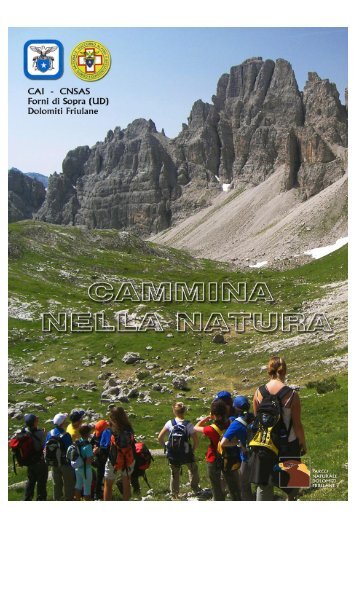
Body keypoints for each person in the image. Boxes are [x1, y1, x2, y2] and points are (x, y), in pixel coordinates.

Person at [250, 356, 307, 501]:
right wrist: (303, 443)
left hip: (266, 444)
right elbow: (297, 424)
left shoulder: (258, 392)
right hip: (288, 443)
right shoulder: (292, 395)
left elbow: (257, 419)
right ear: (284, 371)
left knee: (264, 483)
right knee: (294, 480)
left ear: (269, 371)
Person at [194, 400, 241, 501]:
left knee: (216, 485)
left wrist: (206, 419)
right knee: (232, 484)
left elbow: (195, 427)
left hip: (213, 457)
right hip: (229, 457)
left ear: (213, 414)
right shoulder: (231, 422)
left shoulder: (210, 429)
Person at [158, 401, 200, 500]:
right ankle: (195, 488)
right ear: (184, 411)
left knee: (174, 473)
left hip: (173, 453)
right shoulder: (188, 424)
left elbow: (160, 437)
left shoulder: (170, 423)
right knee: (193, 469)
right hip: (186, 453)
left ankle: (174, 494)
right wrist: (192, 450)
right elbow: (196, 441)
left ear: (174, 411)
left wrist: (166, 447)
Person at [220, 396, 254, 501]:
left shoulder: (236, 423)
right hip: (259, 454)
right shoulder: (255, 417)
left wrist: (237, 443)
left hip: (246, 457)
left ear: (235, 408)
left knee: (244, 484)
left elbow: (223, 443)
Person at [103, 407, 135, 501]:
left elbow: (105, 444)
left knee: (108, 484)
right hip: (128, 459)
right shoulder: (129, 428)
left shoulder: (111, 430)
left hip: (114, 459)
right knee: (126, 482)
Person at [45, 413, 75, 501]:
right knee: (68, 484)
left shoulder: (49, 434)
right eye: (65, 421)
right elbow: (70, 450)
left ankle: (57, 499)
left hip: (53, 462)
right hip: (65, 463)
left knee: (56, 484)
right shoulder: (66, 435)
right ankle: (68, 499)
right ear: (62, 423)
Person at [23, 414, 48, 501]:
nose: (37, 420)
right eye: (35, 420)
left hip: (30, 462)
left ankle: (27, 498)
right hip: (40, 461)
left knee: (31, 481)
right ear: (34, 423)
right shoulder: (40, 433)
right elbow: (44, 446)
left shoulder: (25, 432)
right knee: (41, 482)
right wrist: (44, 434)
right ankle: (41, 499)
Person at [72, 424, 94, 501]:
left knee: (78, 485)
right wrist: (94, 453)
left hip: (77, 468)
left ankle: (77, 500)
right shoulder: (88, 445)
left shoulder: (78, 442)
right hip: (86, 469)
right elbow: (89, 460)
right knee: (87, 489)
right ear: (87, 433)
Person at [92, 419, 109, 500]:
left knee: (100, 476)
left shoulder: (95, 434)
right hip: (103, 459)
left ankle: (99, 492)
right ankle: (98, 493)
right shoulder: (105, 434)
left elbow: (92, 444)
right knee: (102, 476)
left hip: (97, 458)